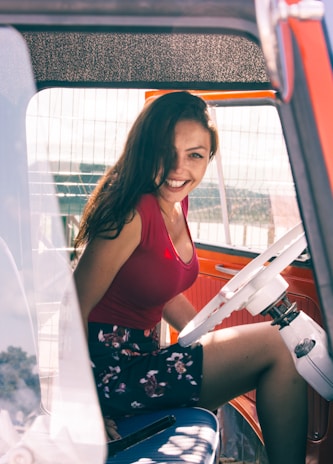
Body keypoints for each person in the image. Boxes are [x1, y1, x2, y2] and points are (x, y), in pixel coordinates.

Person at [73, 91, 308, 464]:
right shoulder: (131, 213)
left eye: (195, 155)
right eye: (165, 151)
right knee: (278, 346)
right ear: (143, 149)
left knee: (274, 343)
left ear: (209, 158)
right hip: (113, 376)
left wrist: (208, 340)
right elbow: (69, 309)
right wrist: (81, 405)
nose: (177, 168)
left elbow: (158, 288)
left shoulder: (175, 200)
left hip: (144, 359)